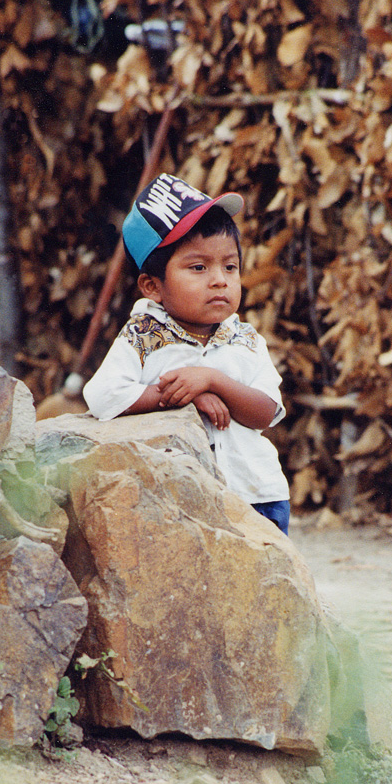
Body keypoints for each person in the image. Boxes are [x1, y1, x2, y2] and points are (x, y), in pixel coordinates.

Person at [83, 173, 290, 534]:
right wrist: (184, 398)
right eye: (198, 267)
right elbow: (103, 396)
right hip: (181, 504)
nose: (219, 280)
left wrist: (213, 381)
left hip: (257, 495)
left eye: (230, 266)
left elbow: (265, 412)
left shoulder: (245, 340)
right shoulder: (142, 336)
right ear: (153, 286)